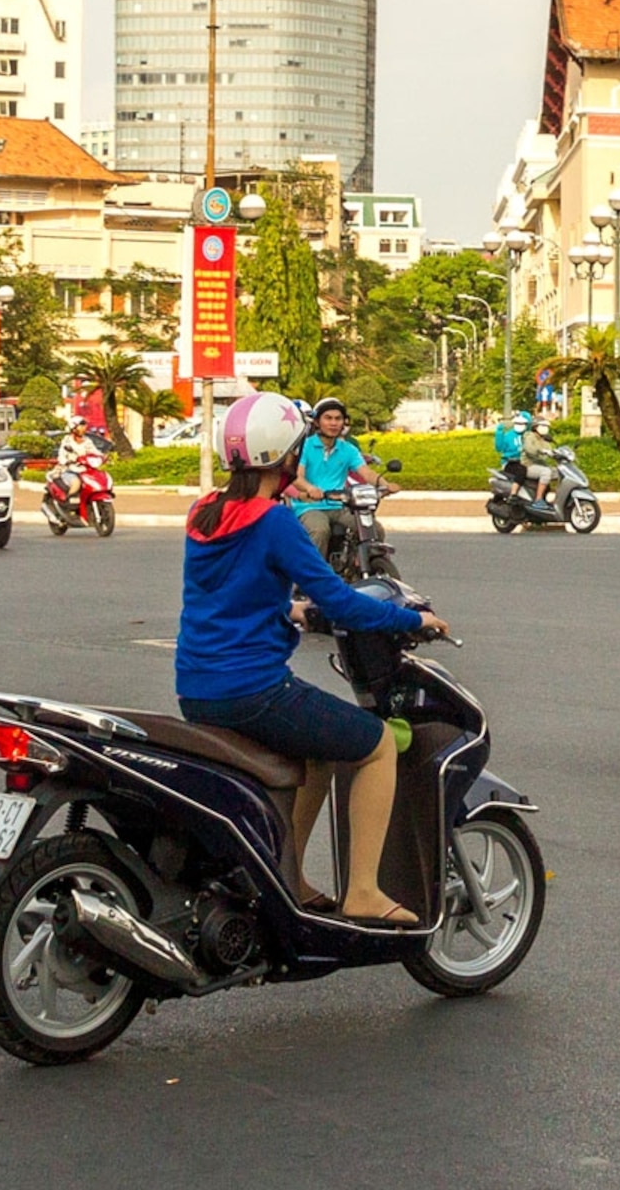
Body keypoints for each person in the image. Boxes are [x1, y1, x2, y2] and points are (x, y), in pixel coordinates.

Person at [173, 392, 446, 925]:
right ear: (286, 454)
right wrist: (414, 620)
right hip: (253, 692)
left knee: (319, 754)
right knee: (376, 745)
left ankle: (287, 879)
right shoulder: (274, 521)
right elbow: (341, 600)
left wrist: (286, 608)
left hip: (197, 689)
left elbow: (226, 593)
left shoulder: (202, 512)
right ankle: (364, 890)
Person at [291, 396, 379, 555]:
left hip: (340, 506)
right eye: (328, 418)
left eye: (338, 419)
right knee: (319, 530)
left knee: (374, 529)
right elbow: (297, 477)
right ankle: (310, 577)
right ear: (317, 422)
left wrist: (383, 484)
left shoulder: (349, 449)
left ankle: (365, 569)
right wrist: (310, 489)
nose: (333, 423)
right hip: (309, 507)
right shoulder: (305, 446)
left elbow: (366, 472)